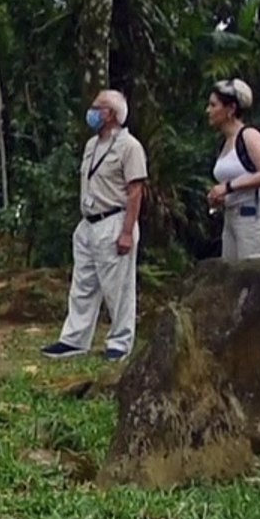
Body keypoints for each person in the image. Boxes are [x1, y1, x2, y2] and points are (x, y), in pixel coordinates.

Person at [41, 89, 148, 363]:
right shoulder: (92, 145)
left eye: (97, 107)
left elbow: (135, 190)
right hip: (88, 222)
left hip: (114, 220)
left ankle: (120, 342)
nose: (91, 111)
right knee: (83, 284)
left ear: (110, 114)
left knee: (118, 288)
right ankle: (74, 339)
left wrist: (127, 231)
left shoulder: (130, 146)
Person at [205, 78, 260, 260]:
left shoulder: (249, 135)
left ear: (230, 109)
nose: (208, 110)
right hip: (231, 216)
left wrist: (228, 187)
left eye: (213, 105)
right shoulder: (225, 142)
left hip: (253, 216)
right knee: (232, 279)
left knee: (255, 278)